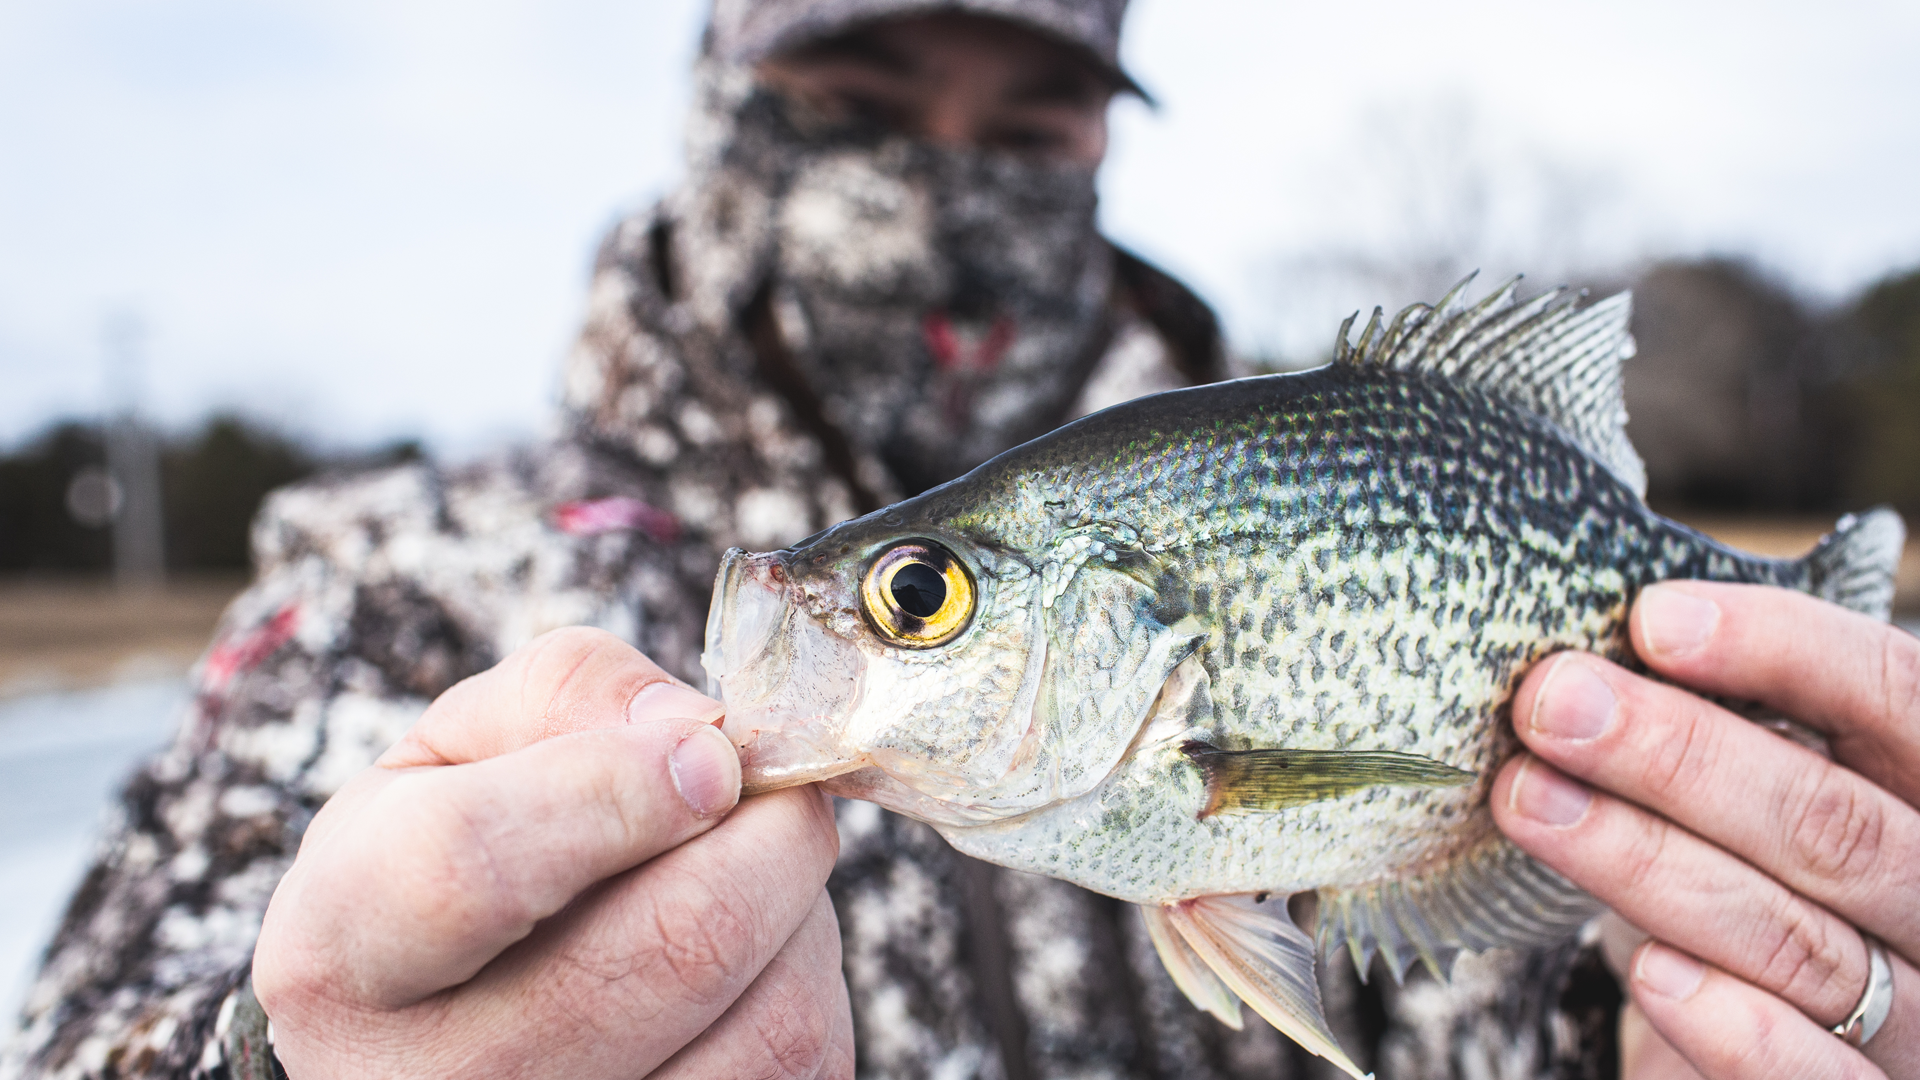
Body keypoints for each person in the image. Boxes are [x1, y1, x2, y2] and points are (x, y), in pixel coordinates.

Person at [3, 2, 1914, 1078]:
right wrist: (271, 1056)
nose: (938, 179)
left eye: (1033, 119)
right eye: (856, 94)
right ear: (718, 77)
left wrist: (1738, 1003)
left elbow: (1532, 962)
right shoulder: (387, 581)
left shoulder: (1251, 462)